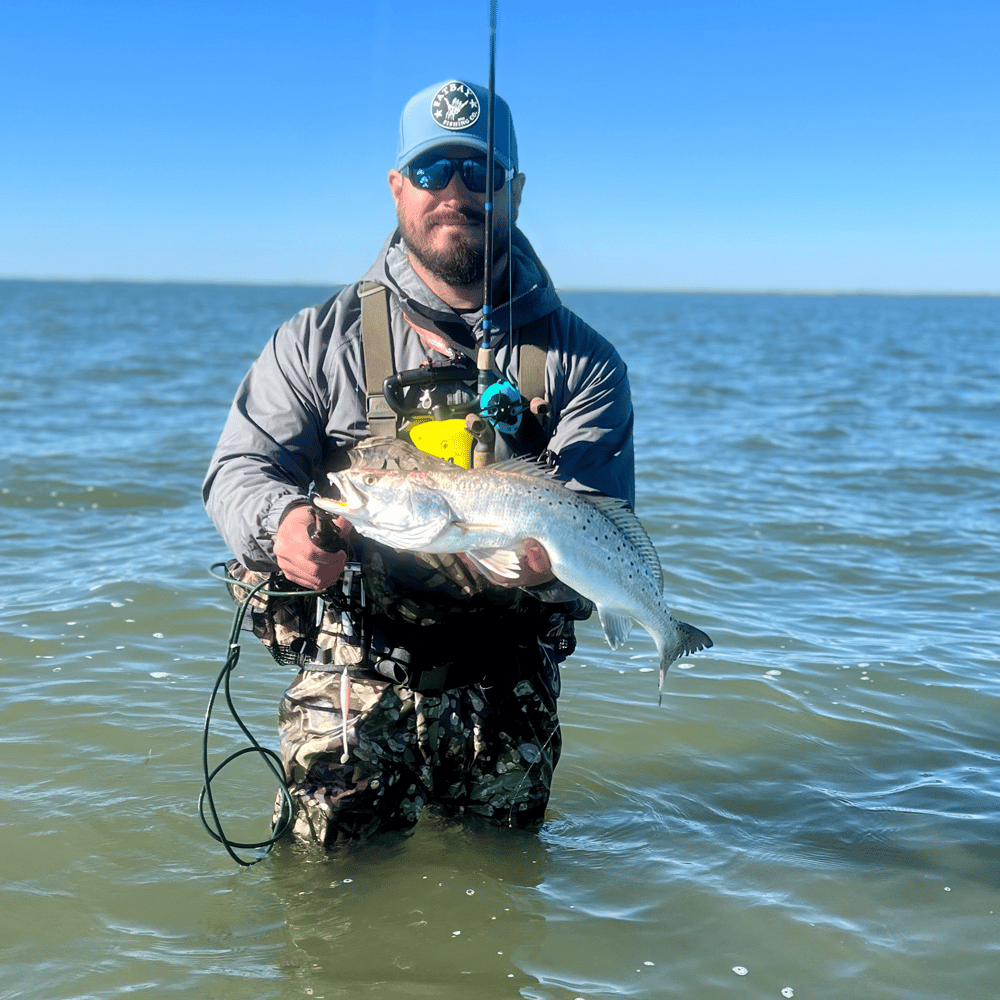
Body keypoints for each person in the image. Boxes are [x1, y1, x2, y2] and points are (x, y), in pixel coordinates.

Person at [204, 79, 635, 846]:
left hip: (509, 684)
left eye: (481, 173)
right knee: (324, 902)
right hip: (353, 674)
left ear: (516, 190)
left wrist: (556, 572)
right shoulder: (317, 338)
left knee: (498, 910)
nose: (456, 193)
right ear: (398, 188)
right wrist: (284, 524)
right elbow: (240, 469)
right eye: (433, 172)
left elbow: (601, 519)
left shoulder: (585, 363)